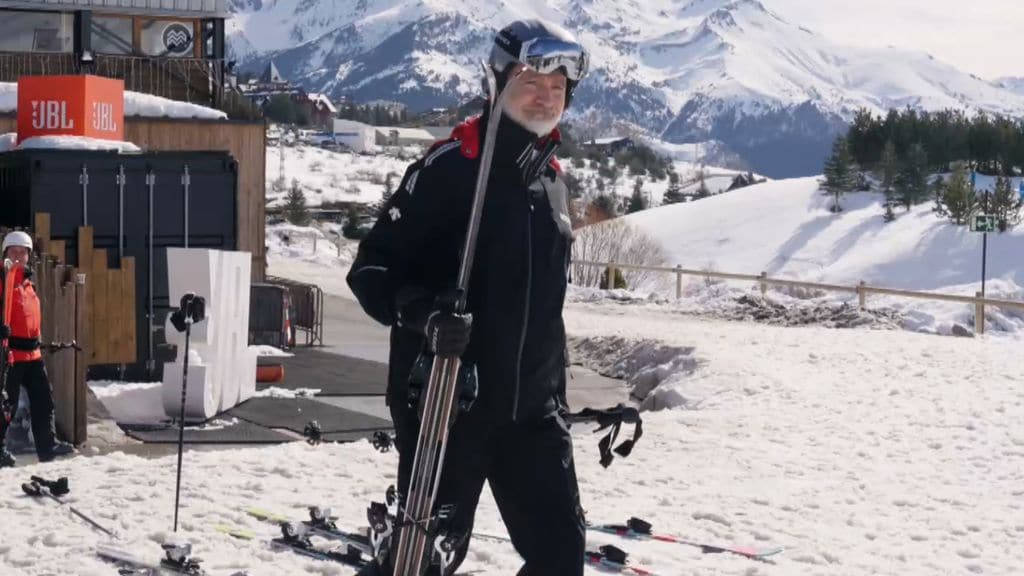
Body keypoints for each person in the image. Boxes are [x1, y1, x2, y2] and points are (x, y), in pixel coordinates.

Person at [346, 18, 590, 576]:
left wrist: (554, 391)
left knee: (559, 558)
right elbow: (371, 269)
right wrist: (424, 313)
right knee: (421, 562)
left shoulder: (551, 180)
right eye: (531, 82)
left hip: (533, 412)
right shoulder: (450, 170)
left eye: (558, 89)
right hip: (449, 404)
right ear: (498, 83)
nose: (545, 97)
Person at [0, 230, 74, 467]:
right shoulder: (3, 279)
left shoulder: (28, 283)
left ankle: (47, 444)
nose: (19, 256)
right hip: (10, 353)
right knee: (5, 404)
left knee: (44, 401)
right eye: (14, 251)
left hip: (33, 353)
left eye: (23, 252)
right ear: (6, 253)